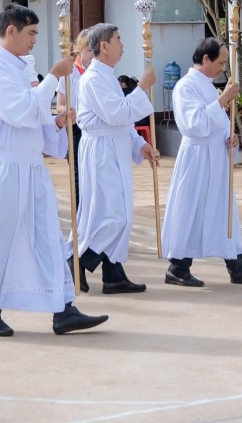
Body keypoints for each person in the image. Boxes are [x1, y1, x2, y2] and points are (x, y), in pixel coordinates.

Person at [0, 4, 102, 338]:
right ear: (11, 31)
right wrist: (54, 78)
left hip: (30, 167)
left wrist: (56, 122)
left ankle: (63, 309)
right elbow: (18, 111)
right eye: (30, 33)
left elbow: (33, 114)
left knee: (47, 237)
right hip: (6, 168)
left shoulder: (16, 67)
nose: (34, 40)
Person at [161, 37, 242, 288]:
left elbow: (216, 122)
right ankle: (178, 266)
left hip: (216, 155)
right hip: (197, 158)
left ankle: (236, 262)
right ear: (205, 59)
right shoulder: (186, 86)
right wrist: (223, 100)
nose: (223, 68)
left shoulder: (207, 84)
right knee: (190, 208)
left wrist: (230, 136)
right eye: (221, 63)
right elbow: (194, 124)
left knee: (223, 209)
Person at [75, 23, 159, 295]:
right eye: (118, 39)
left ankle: (113, 273)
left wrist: (140, 143)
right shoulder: (94, 79)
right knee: (111, 214)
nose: (123, 45)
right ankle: (77, 262)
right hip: (101, 151)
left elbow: (120, 122)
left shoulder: (107, 76)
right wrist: (142, 88)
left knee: (119, 211)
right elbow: (116, 114)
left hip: (114, 146)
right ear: (104, 46)